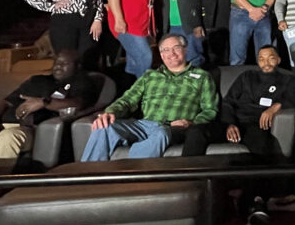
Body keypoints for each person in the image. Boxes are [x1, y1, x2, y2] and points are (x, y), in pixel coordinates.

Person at [81, 34, 218, 161]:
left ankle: (132, 176)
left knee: (161, 134)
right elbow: (128, 100)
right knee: (104, 127)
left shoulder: (202, 77)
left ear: (185, 49)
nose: (171, 53)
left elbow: (210, 110)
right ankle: (86, 180)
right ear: (161, 55)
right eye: (165, 50)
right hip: (144, 125)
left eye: (176, 48)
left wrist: (191, 123)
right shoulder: (150, 76)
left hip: (173, 127)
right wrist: (110, 113)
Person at [217, 45, 295, 219]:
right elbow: (228, 102)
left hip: (255, 124)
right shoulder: (246, 76)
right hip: (233, 122)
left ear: (279, 60)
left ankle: (255, 202)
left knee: (261, 145)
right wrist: (229, 124)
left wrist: (277, 106)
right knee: (199, 132)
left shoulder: (287, 80)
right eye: (261, 58)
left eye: (271, 57)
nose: (266, 62)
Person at [0, 50, 97, 160]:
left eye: (64, 63)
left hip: (27, 129)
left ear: (78, 66)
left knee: (8, 138)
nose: (58, 66)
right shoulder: (37, 80)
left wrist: (44, 103)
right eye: (56, 62)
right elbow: (5, 102)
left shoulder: (81, 83)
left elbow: (78, 103)